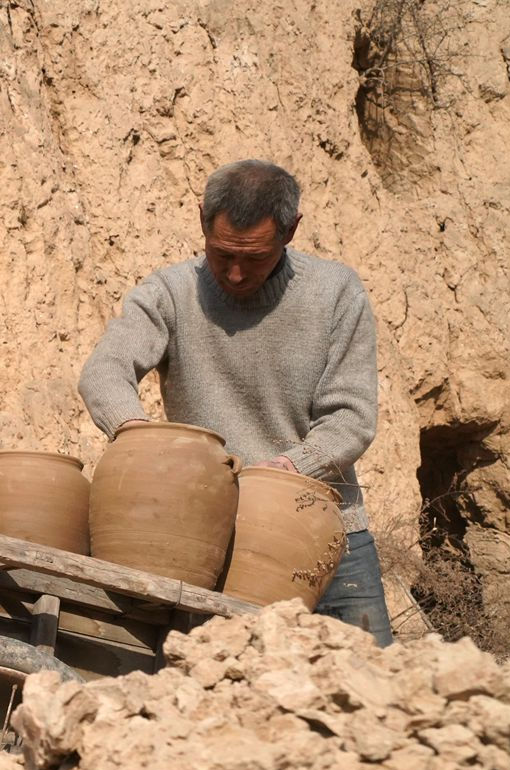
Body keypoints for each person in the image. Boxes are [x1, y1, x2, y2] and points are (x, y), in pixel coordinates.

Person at [77, 159, 394, 646]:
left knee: (374, 697)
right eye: (222, 254)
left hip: (328, 533)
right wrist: (140, 437)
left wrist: (281, 472)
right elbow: (105, 371)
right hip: (210, 536)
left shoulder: (335, 293)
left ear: (291, 231)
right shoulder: (170, 292)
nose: (238, 273)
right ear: (202, 219)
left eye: (257, 257)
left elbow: (350, 418)